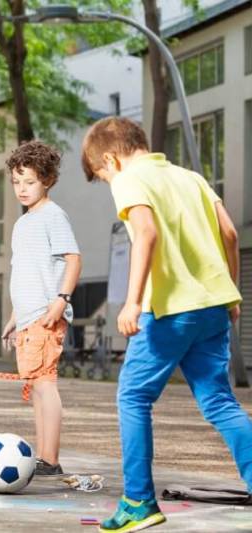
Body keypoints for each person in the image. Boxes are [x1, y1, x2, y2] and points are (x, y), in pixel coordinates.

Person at [80, 117, 250, 532]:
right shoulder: (191, 178)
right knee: (220, 403)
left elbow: (147, 233)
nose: (107, 182)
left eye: (102, 175)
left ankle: (138, 502)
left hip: (170, 310)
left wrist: (133, 301)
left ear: (110, 159)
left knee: (133, 397)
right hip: (213, 307)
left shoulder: (129, 178)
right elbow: (229, 234)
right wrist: (230, 291)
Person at [1, 140, 82, 477]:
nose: (22, 188)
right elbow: (25, 274)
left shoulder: (53, 215)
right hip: (27, 318)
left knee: (45, 383)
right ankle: (44, 455)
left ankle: (50, 458)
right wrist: (14, 317)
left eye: (30, 181)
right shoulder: (23, 223)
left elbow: (73, 259)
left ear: (47, 180)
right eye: (16, 182)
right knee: (36, 385)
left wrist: (61, 300)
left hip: (46, 315)